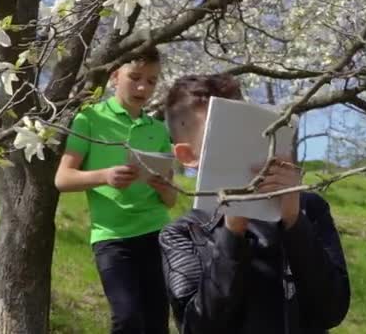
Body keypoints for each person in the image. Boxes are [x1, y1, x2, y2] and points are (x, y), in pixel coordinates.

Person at [160, 74, 350, 334]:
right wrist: (232, 233)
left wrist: (295, 220)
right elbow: (197, 326)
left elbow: (333, 310)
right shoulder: (184, 233)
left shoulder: (308, 208)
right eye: (223, 137)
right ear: (188, 155)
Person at [55, 46, 175, 334]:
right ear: (114, 77)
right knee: (127, 318)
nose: (143, 87)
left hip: (155, 233)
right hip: (112, 238)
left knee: (157, 322)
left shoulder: (158, 130)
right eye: (134, 77)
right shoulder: (89, 119)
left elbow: (171, 200)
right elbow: (62, 178)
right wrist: (104, 176)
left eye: (151, 80)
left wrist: (162, 185)